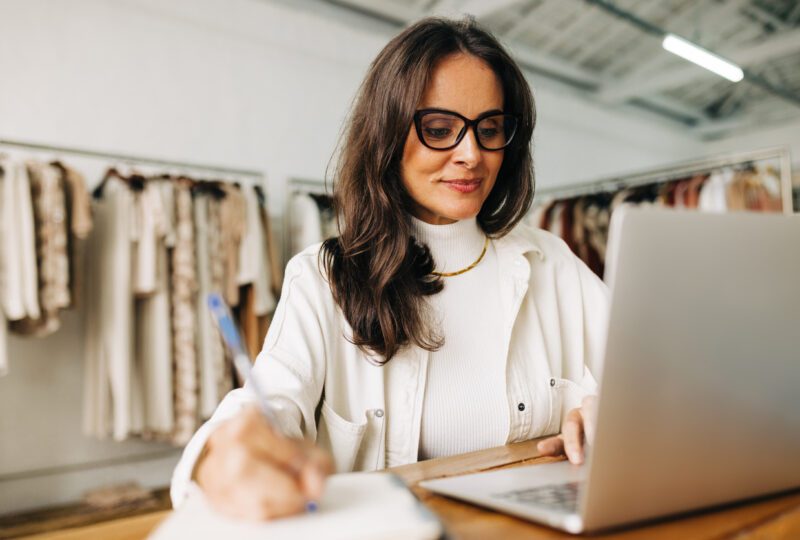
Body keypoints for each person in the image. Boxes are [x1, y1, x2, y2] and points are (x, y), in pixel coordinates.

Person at [171, 16, 609, 521]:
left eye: (489, 130)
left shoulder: (552, 263)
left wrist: (615, 412)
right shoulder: (322, 278)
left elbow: (649, 378)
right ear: (386, 134)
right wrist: (225, 457)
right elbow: (269, 405)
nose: (471, 154)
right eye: (440, 129)